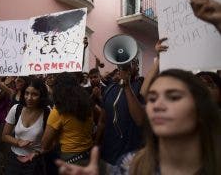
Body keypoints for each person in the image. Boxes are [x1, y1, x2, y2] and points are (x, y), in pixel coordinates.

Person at [56, 69, 221, 175]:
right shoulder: (129, 164)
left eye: (173, 97)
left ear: (201, 109)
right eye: (152, 98)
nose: (157, 105)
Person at [100, 57, 145, 174]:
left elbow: (140, 120)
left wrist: (126, 85)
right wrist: (96, 143)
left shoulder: (140, 86)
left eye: (132, 64)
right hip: (108, 154)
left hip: (130, 158)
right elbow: (102, 121)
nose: (127, 67)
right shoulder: (110, 88)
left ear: (137, 67)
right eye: (124, 64)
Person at [42, 72, 94, 167]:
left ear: (58, 89)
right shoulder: (87, 104)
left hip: (71, 159)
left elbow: (45, 144)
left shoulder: (58, 111)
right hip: (89, 156)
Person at [2, 78, 50, 175]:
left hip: (35, 162)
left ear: (42, 96)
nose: (29, 98)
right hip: (14, 160)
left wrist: (37, 153)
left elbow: (52, 143)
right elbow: (4, 136)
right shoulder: (16, 109)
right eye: (26, 93)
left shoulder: (47, 113)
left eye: (34, 94)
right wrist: (18, 142)